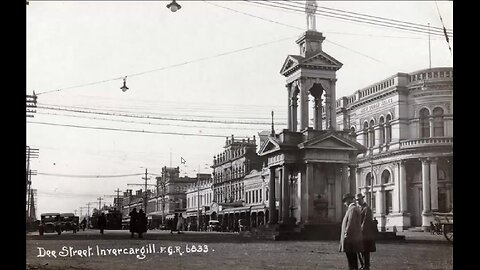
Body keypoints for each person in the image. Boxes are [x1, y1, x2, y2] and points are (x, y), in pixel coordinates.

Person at [339, 193, 363, 270]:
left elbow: (350, 223)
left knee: (351, 258)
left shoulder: (352, 209)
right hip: (353, 237)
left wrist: (346, 234)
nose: (344, 203)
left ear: (349, 200)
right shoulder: (353, 208)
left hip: (350, 238)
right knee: (353, 257)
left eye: (345, 201)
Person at [356, 193, 377, 270]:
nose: (358, 201)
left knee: (365, 250)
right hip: (359, 232)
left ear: (362, 199)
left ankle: (366, 266)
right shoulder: (359, 208)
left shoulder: (366, 208)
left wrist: (361, 231)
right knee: (360, 250)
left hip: (365, 233)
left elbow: (365, 222)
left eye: (359, 200)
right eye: (357, 200)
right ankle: (362, 265)